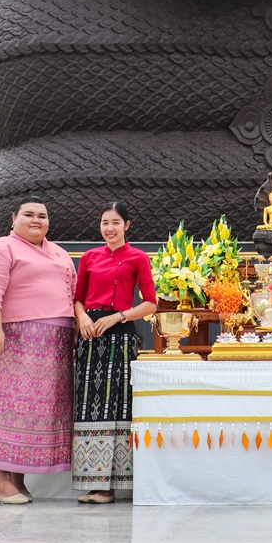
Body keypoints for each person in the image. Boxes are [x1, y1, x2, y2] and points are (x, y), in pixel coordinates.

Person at [0, 198, 77, 503]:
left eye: (42, 216)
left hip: (54, 343)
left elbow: (70, 294)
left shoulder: (58, 252)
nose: (36, 220)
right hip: (16, 339)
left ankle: (17, 478)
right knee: (9, 407)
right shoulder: (2, 247)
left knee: (38, 413)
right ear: (14, 218)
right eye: (28, 214)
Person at [72, 203, 157, 503]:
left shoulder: (137, 257)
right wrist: (82, 318)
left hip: (119, 336)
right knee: (88, 404)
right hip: (89, 336)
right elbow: (78, 299)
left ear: (127, 225)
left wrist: (118, 317)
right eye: (105, 222)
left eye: (116, 223)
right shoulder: (89, 257)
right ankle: (92, 480)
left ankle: (112, 485)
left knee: (117, 405)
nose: (110, 228)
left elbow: (150, 303)